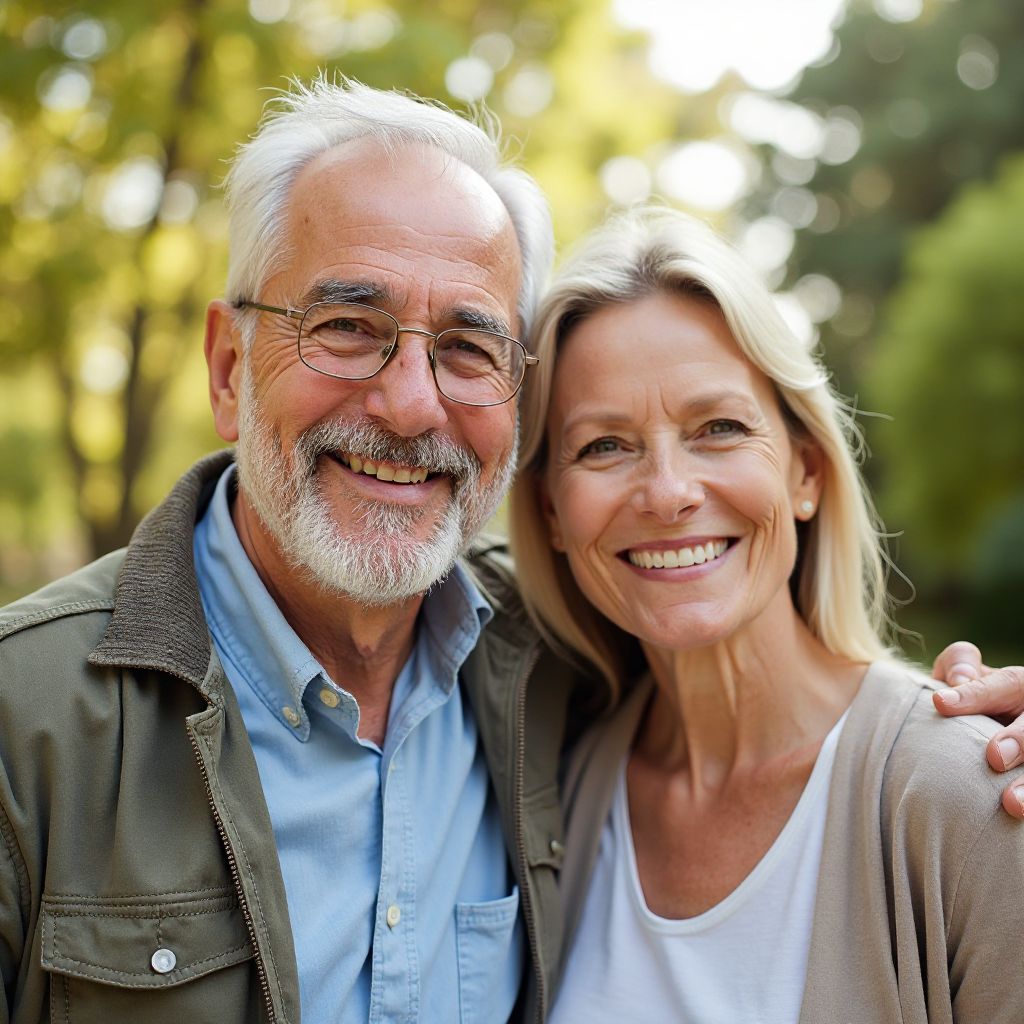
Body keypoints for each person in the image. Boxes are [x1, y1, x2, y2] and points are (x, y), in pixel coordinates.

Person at [0, 77, 1010, 1024]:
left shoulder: (548, 687)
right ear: (228, 368)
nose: (408, 402)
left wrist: (965, 750)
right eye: (348, 326)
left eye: (469, 347)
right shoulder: (26, 726)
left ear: (807, 469)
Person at [508, 205, 1024, 1022]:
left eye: (718, 428)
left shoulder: (972, 793)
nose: (669, 492)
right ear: (550, 518)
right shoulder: (547, 784)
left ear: (806, 473)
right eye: (603, 445)